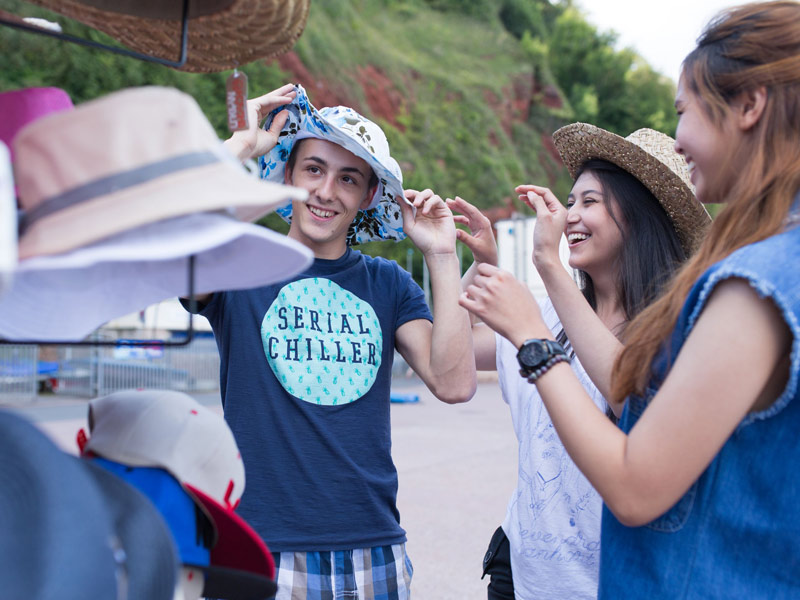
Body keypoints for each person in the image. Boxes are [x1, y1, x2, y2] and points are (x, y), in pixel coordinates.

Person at [460, 1, 800, 597]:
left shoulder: (756, 283)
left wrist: (535, 341)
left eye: (684, 111)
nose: (680, 136)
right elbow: (633, 381)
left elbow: (636, 486)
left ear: (750, 106)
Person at [185, 83, 476, 600]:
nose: (325, 191)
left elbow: (454, 383)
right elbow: (175, 240)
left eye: (348, 179)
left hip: (372, 547)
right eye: (314, 169)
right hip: (260, 547)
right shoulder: (242, 265)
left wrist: (441, 255)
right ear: (289, 174)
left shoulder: (387, 284)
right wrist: (235, 149)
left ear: (367, 196)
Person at [449, 123, 708, 599]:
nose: (570, 216)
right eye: (571, 202)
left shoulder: (674, 328)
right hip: (519, 576)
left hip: (609, 583)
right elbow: (453, 351)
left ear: (639, 215)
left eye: (590, 202)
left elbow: (628, 392)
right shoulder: (545, 315)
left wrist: (547, 266)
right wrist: (477, 261)